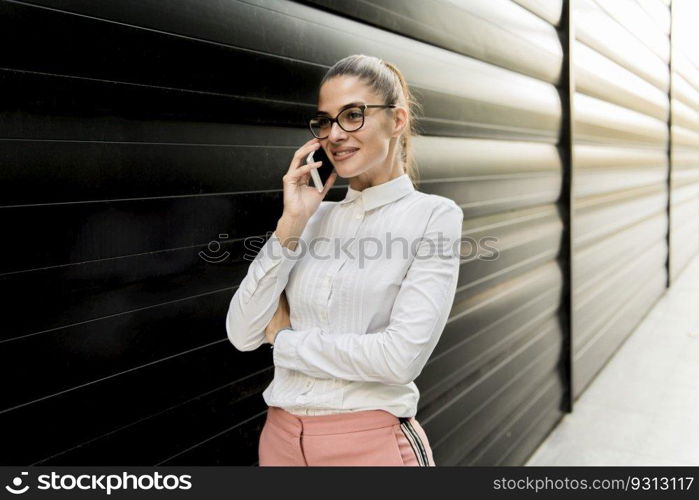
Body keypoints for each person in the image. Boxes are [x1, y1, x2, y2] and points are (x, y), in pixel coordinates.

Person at [226, 54, 463, 466]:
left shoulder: (433, 216)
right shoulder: (311, 217)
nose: (335, 134)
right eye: (325, 120)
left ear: (398, 120)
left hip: (368, 445)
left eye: (353, 115)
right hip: (280, 440)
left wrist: (285, 341)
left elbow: (399, 358)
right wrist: (292, 222)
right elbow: (242, 332)